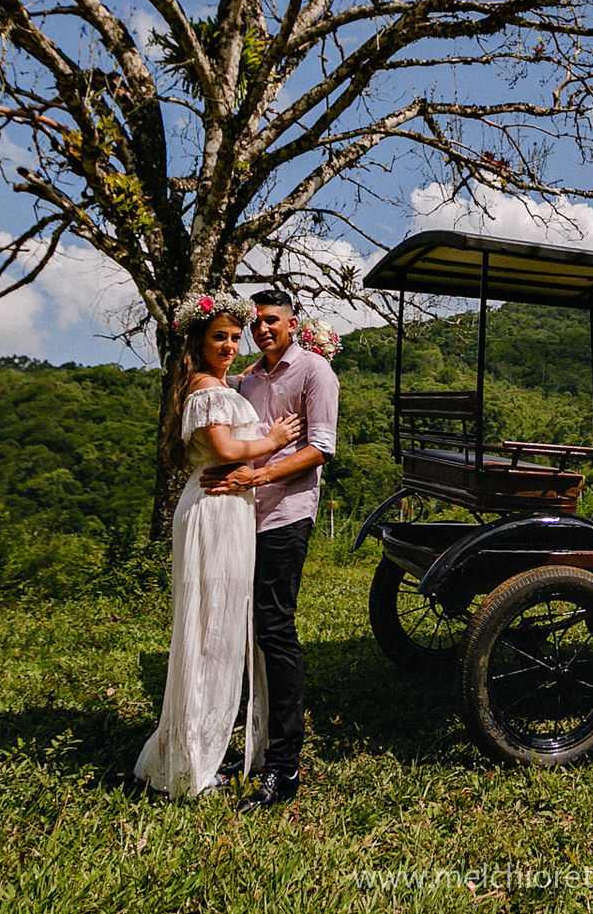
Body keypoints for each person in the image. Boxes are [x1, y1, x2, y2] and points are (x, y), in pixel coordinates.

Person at [133, 292, 300, 798]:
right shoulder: (205, 388)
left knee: (222, 630)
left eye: (233, 336)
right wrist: (271, 442)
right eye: (218, 337)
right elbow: (225, 450)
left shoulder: (224, 383)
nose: (229, 345)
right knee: (209, 632)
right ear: (197, 341)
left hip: (231, 508)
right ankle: (187, 764)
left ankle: (195, 753)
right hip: (214, 510)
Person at [217, 289, 339, 811]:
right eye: (258, 322)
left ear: (293, 323)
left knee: (274, 626)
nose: (264, 329)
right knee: (245, 629)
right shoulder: (249, 379)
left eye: (273, 321)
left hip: (287, 514)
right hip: (244, 515)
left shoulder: (314, 373)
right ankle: (248, 739)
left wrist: (260, 473)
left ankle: (284, 765)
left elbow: (320, 448)